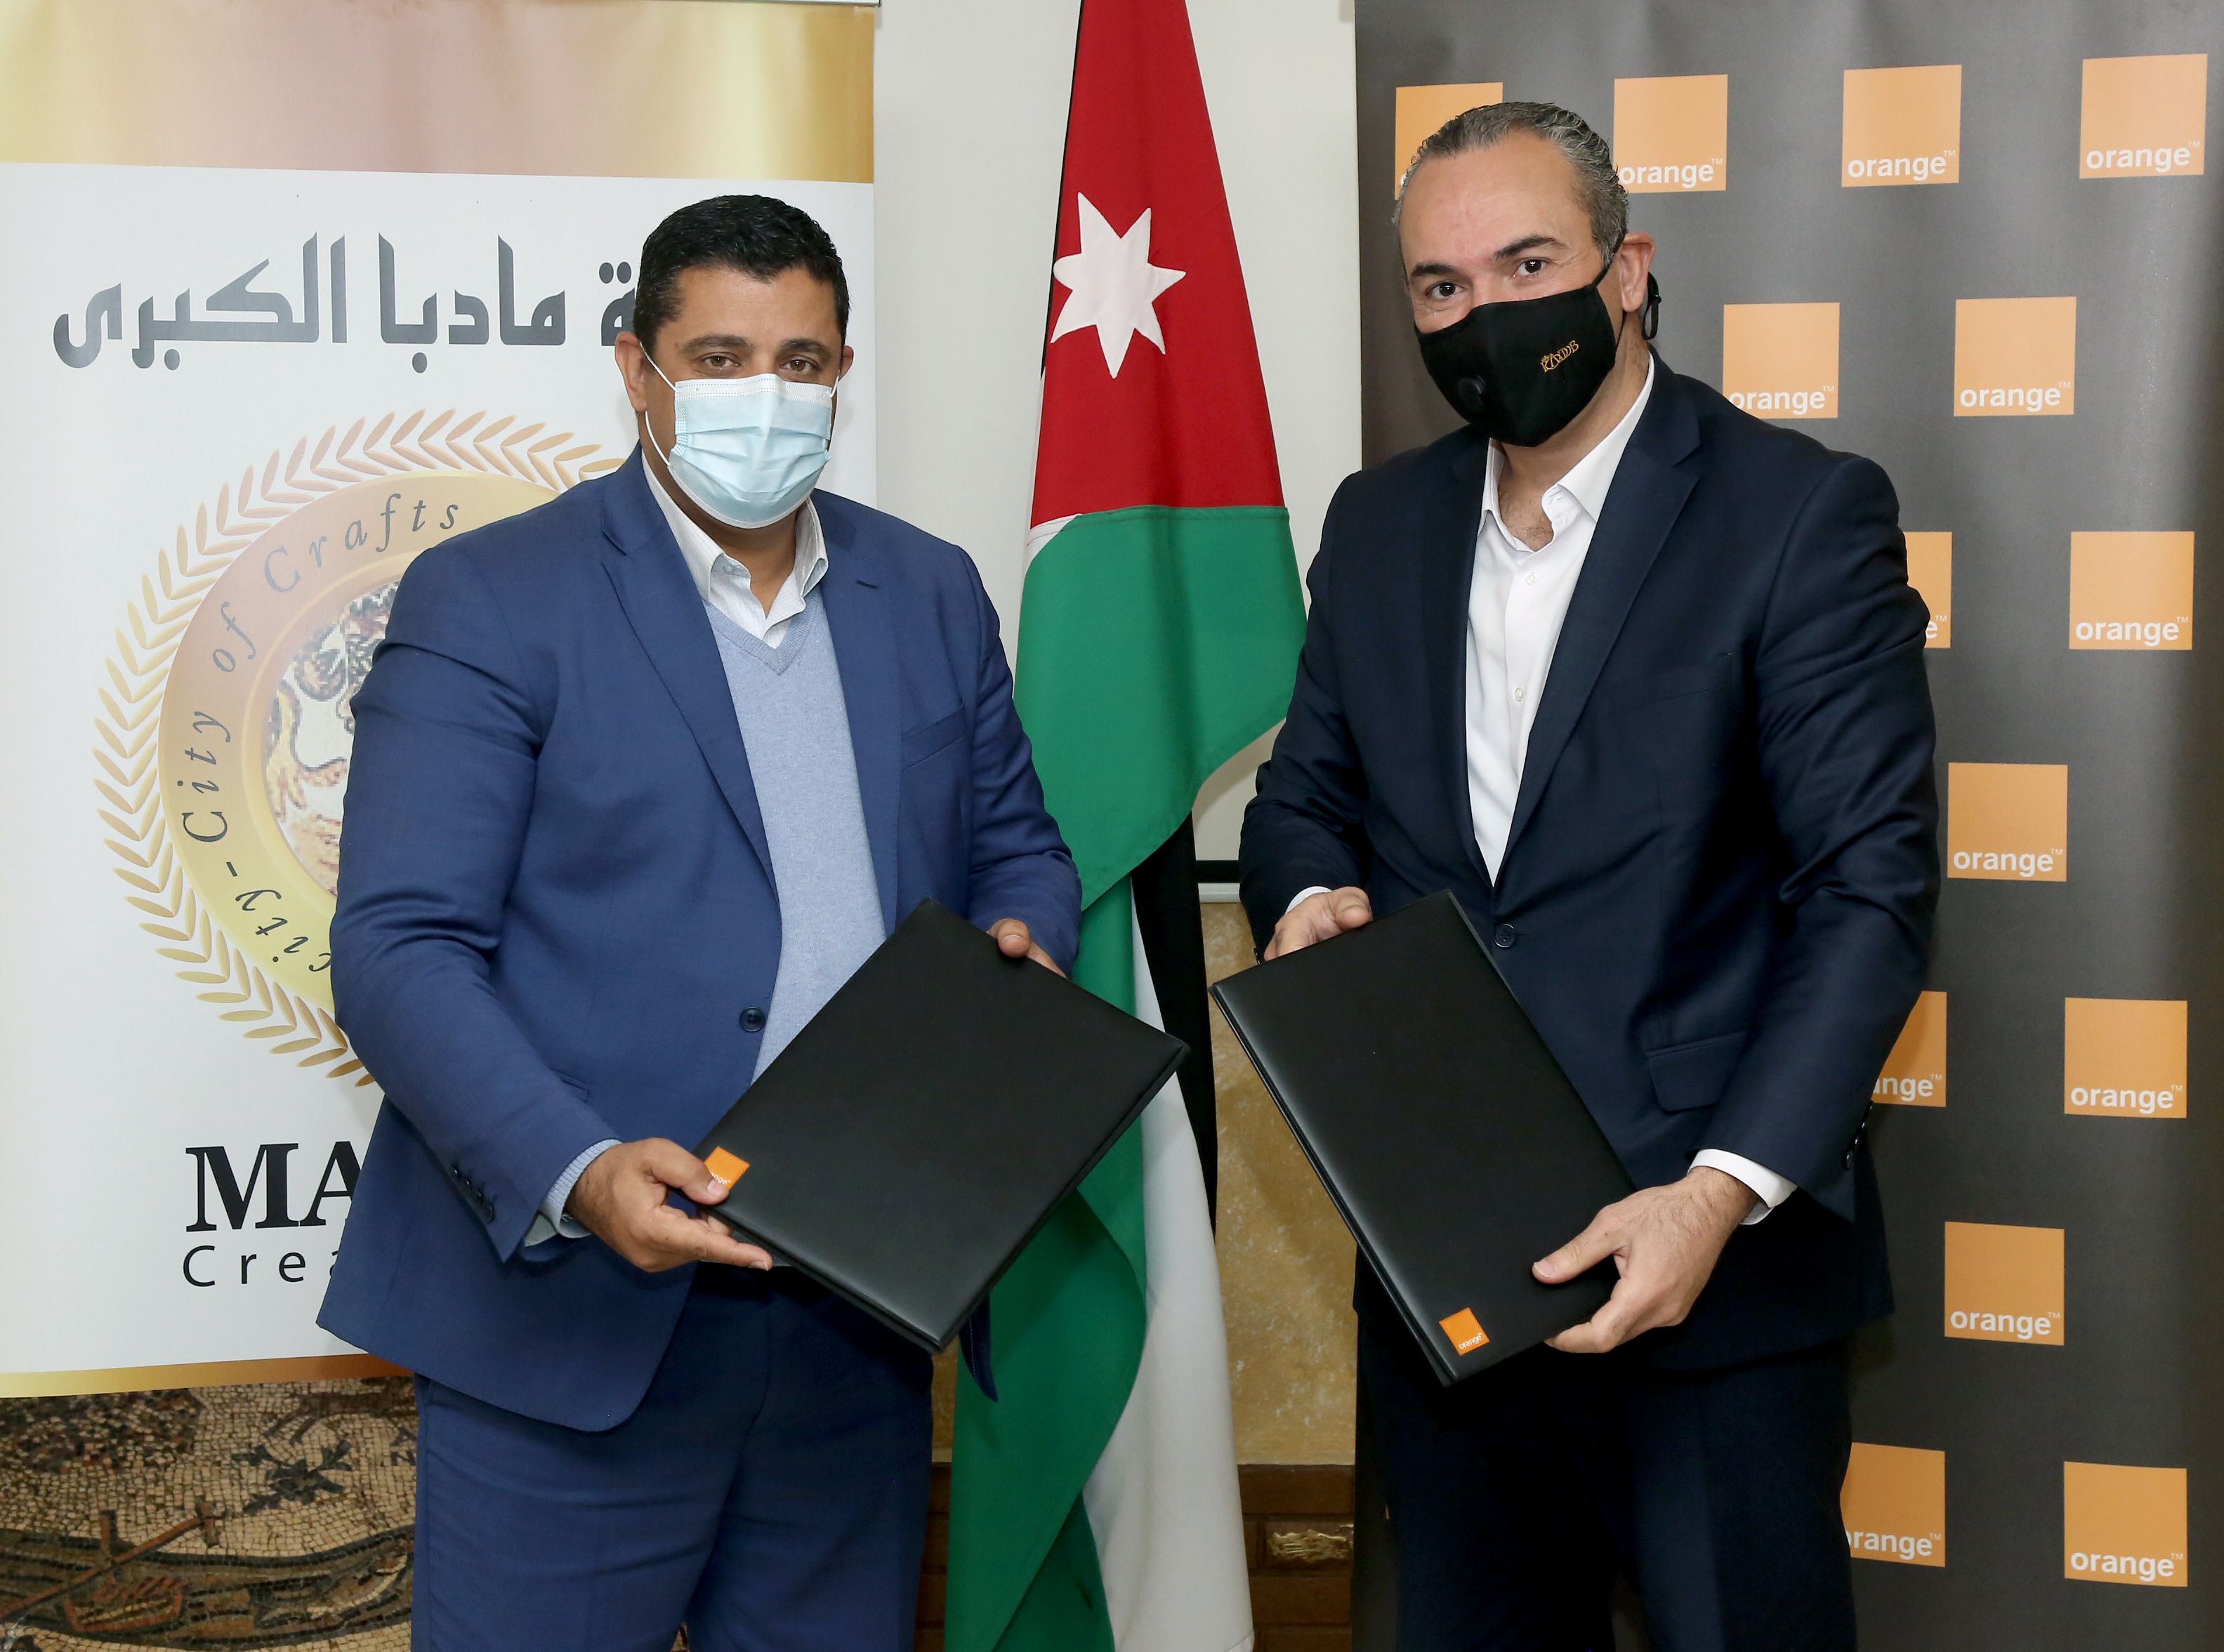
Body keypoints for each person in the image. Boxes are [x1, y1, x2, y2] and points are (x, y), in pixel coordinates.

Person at [320, 194, 1080, 1652]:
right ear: (638, 368)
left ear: (842, 373)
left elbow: (1019, 853)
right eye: (721, 358)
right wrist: (580, 1167)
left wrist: (1020, 954)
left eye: (802, 362)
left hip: (858, 1309)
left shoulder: (929, 589)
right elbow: (399, 947)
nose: (765, 396)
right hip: (573, 1323)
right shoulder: (493, 597)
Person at [1239, 103, 1936, 1650]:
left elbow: (1867, 892)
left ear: (1627, 270)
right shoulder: (1378, 523)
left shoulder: (1796, 512)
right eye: (1441, 285)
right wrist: (1303, 900)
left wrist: (1716, 1194)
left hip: (1713, 1274)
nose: (1483, 313)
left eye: (1527, 263)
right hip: (1447, 1272)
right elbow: (1301, 804)